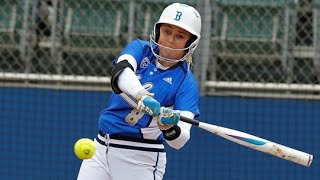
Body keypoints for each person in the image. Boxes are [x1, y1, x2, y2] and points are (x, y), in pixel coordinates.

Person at [77, 3, 201, 180]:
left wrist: (168, 128)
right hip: (101, 146)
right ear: (158, 31)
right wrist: (141, 95)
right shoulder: (140, 49)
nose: (171, 40)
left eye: (180, 36)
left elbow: (180, 140)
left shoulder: (186, 83)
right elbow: (120, 74)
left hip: (141, 156)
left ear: (190, 43)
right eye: (167, 32)